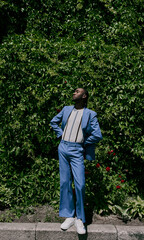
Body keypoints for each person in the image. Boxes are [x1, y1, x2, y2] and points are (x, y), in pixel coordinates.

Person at [50, 88, 102, 234]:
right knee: (65, 182)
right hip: (63, 148)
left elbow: (97, 134)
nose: (74, 93)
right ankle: (69, 216)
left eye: (77, 91)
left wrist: (84, 142)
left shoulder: (90, 114)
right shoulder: (66, 109)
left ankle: (80, 218)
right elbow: (53, 122)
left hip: (77, 150)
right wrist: (60, 134)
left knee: (80, 184)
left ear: (84, 96)